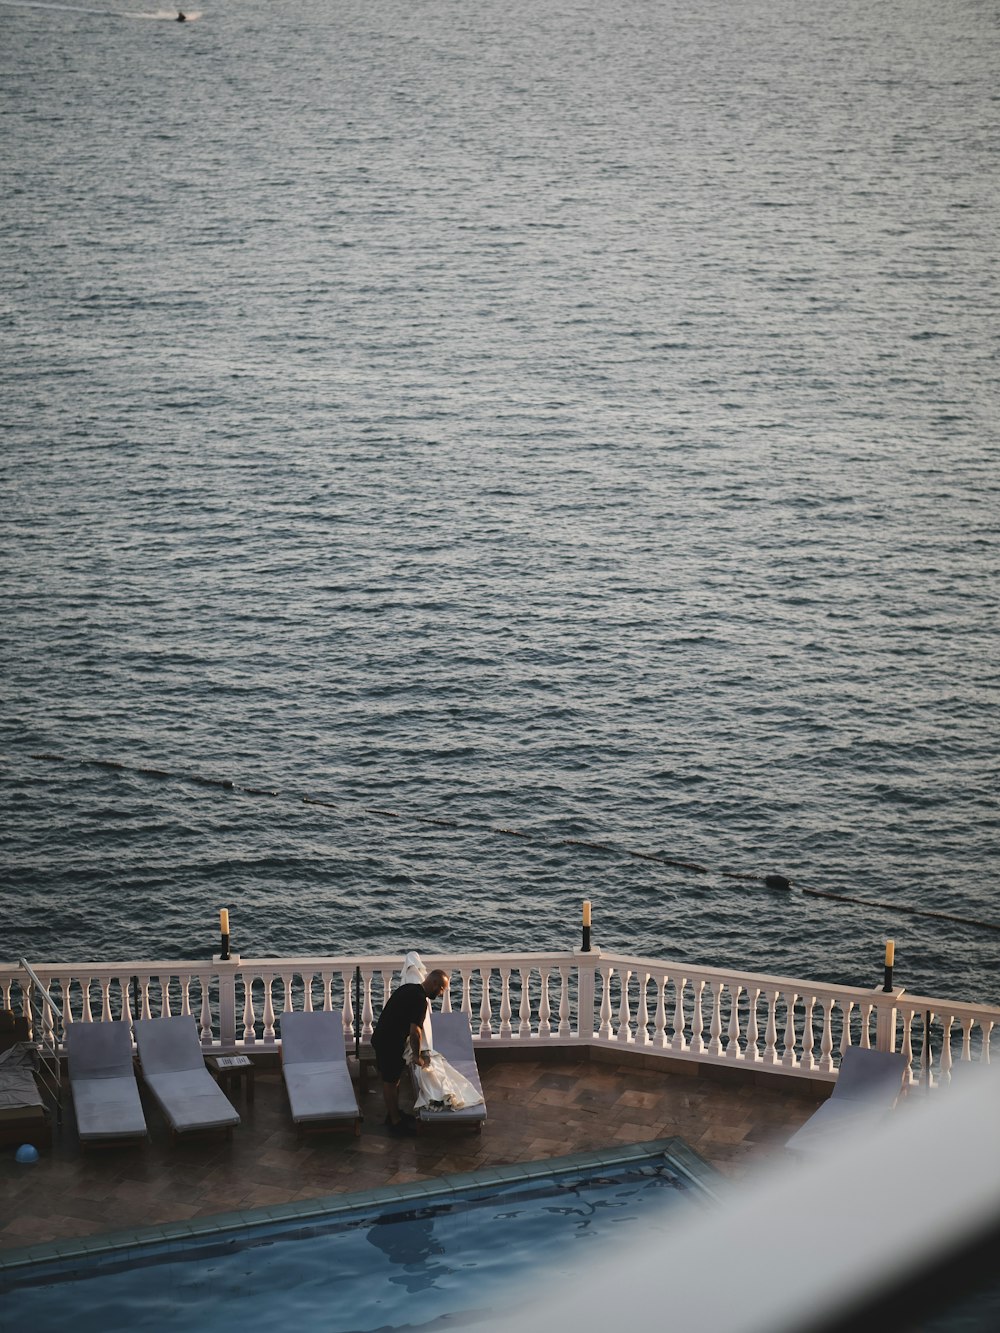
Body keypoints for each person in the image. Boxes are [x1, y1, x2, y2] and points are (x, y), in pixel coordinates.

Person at [372, 966, 449, 1135]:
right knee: (390, 1082)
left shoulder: (408, 988)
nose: (442, 993)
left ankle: (394, 1114)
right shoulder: (420, 1000)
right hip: (389, 1043)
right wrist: (416, 1056)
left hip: (386, 1039)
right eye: (442, 988)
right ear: (434, 982)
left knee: (394, 1079)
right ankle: (395, 1123)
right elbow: (415, 1032)